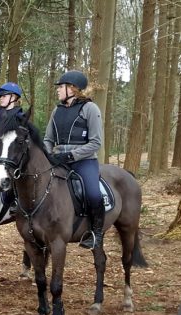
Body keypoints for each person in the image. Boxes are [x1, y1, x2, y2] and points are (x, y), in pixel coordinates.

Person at [43, 70, 105, 250]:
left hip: (84, 161)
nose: (58, 90)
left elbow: (95, 143)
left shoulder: (90, 109)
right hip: (58, 160)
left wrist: (71, 155)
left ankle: (96, 233)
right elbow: (48, 139)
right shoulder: (57, 110)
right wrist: (49, 155)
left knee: (93, 193)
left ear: (73, 89)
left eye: (61, 87)